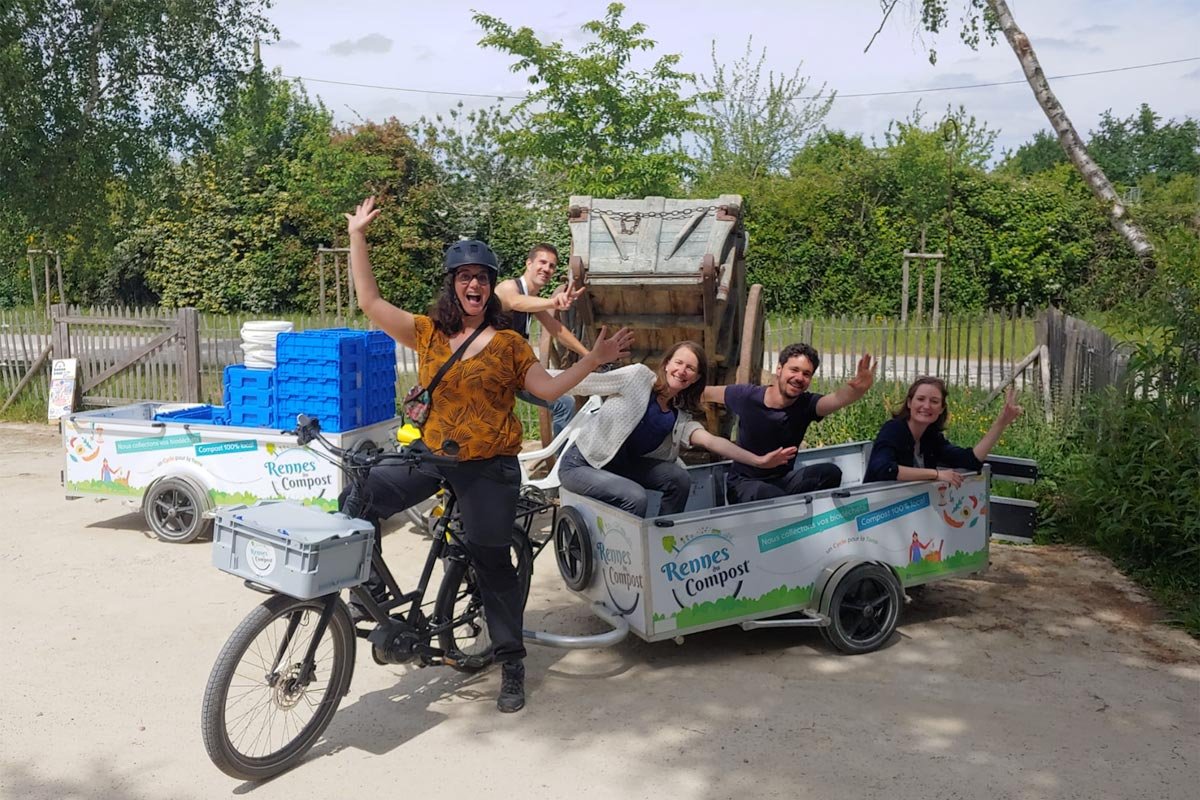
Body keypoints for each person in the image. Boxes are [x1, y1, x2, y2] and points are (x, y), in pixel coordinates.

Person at [343, 197, 633, 713]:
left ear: (490, 284)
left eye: (481, 276)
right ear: (452, 284)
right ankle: (368, 587)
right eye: (464, 277)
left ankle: (511, 660)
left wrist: (592, 359)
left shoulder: (508, 344)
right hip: (434, 455)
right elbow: (370, 301)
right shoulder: (428, 331)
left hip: (488, 468)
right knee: (358, 493)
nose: (473, 285)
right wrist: (358, 236)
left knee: (491, 562)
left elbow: (547, 389)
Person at [558, 341, 796, 517]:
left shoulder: (678, 416)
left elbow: (712, 442)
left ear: (695, 378)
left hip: (620, 468)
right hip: (581, 464)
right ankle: (631, 556)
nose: (682, 371)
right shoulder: (637, 377)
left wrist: (759, 460)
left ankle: (663, 536)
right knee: (635, 496)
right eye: (678, 363)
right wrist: (534, 381)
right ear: (667, 363)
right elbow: (584, 384)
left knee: (679, 478)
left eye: (690, 368)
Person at [702, 343, 876, 504]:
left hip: (782, 482)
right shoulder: (747, 396)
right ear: (779, 369)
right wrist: (676, 391)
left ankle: (813, 524)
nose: (799, 377)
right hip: (745, 484)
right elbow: (704, 393)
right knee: (771, 496)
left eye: (806, 374)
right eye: (794, 370)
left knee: (829, 473)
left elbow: (837, 399)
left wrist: (856, 391)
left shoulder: (806, 405)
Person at [495, 243, 588, 437]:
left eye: (552, 266)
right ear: (529, 264)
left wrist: (589, 355)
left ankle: (563, 463)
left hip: (514, 372)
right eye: (542, 262)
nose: (546, 269)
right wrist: (554, 302)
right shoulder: (508, 287)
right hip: (490, 371)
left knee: (564, 403)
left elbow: (557, 330)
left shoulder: (534, 299)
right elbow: (514, 302)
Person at [864, 377, 1022, 486]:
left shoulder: (931, 438)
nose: (926, 406)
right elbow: (884, 469)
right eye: (920, 399)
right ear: (909, 403)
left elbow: (970, 460)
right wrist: (936, 474)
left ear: (941, 409)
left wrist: (1001, 423)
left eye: (934, 401)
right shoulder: (893, 429)